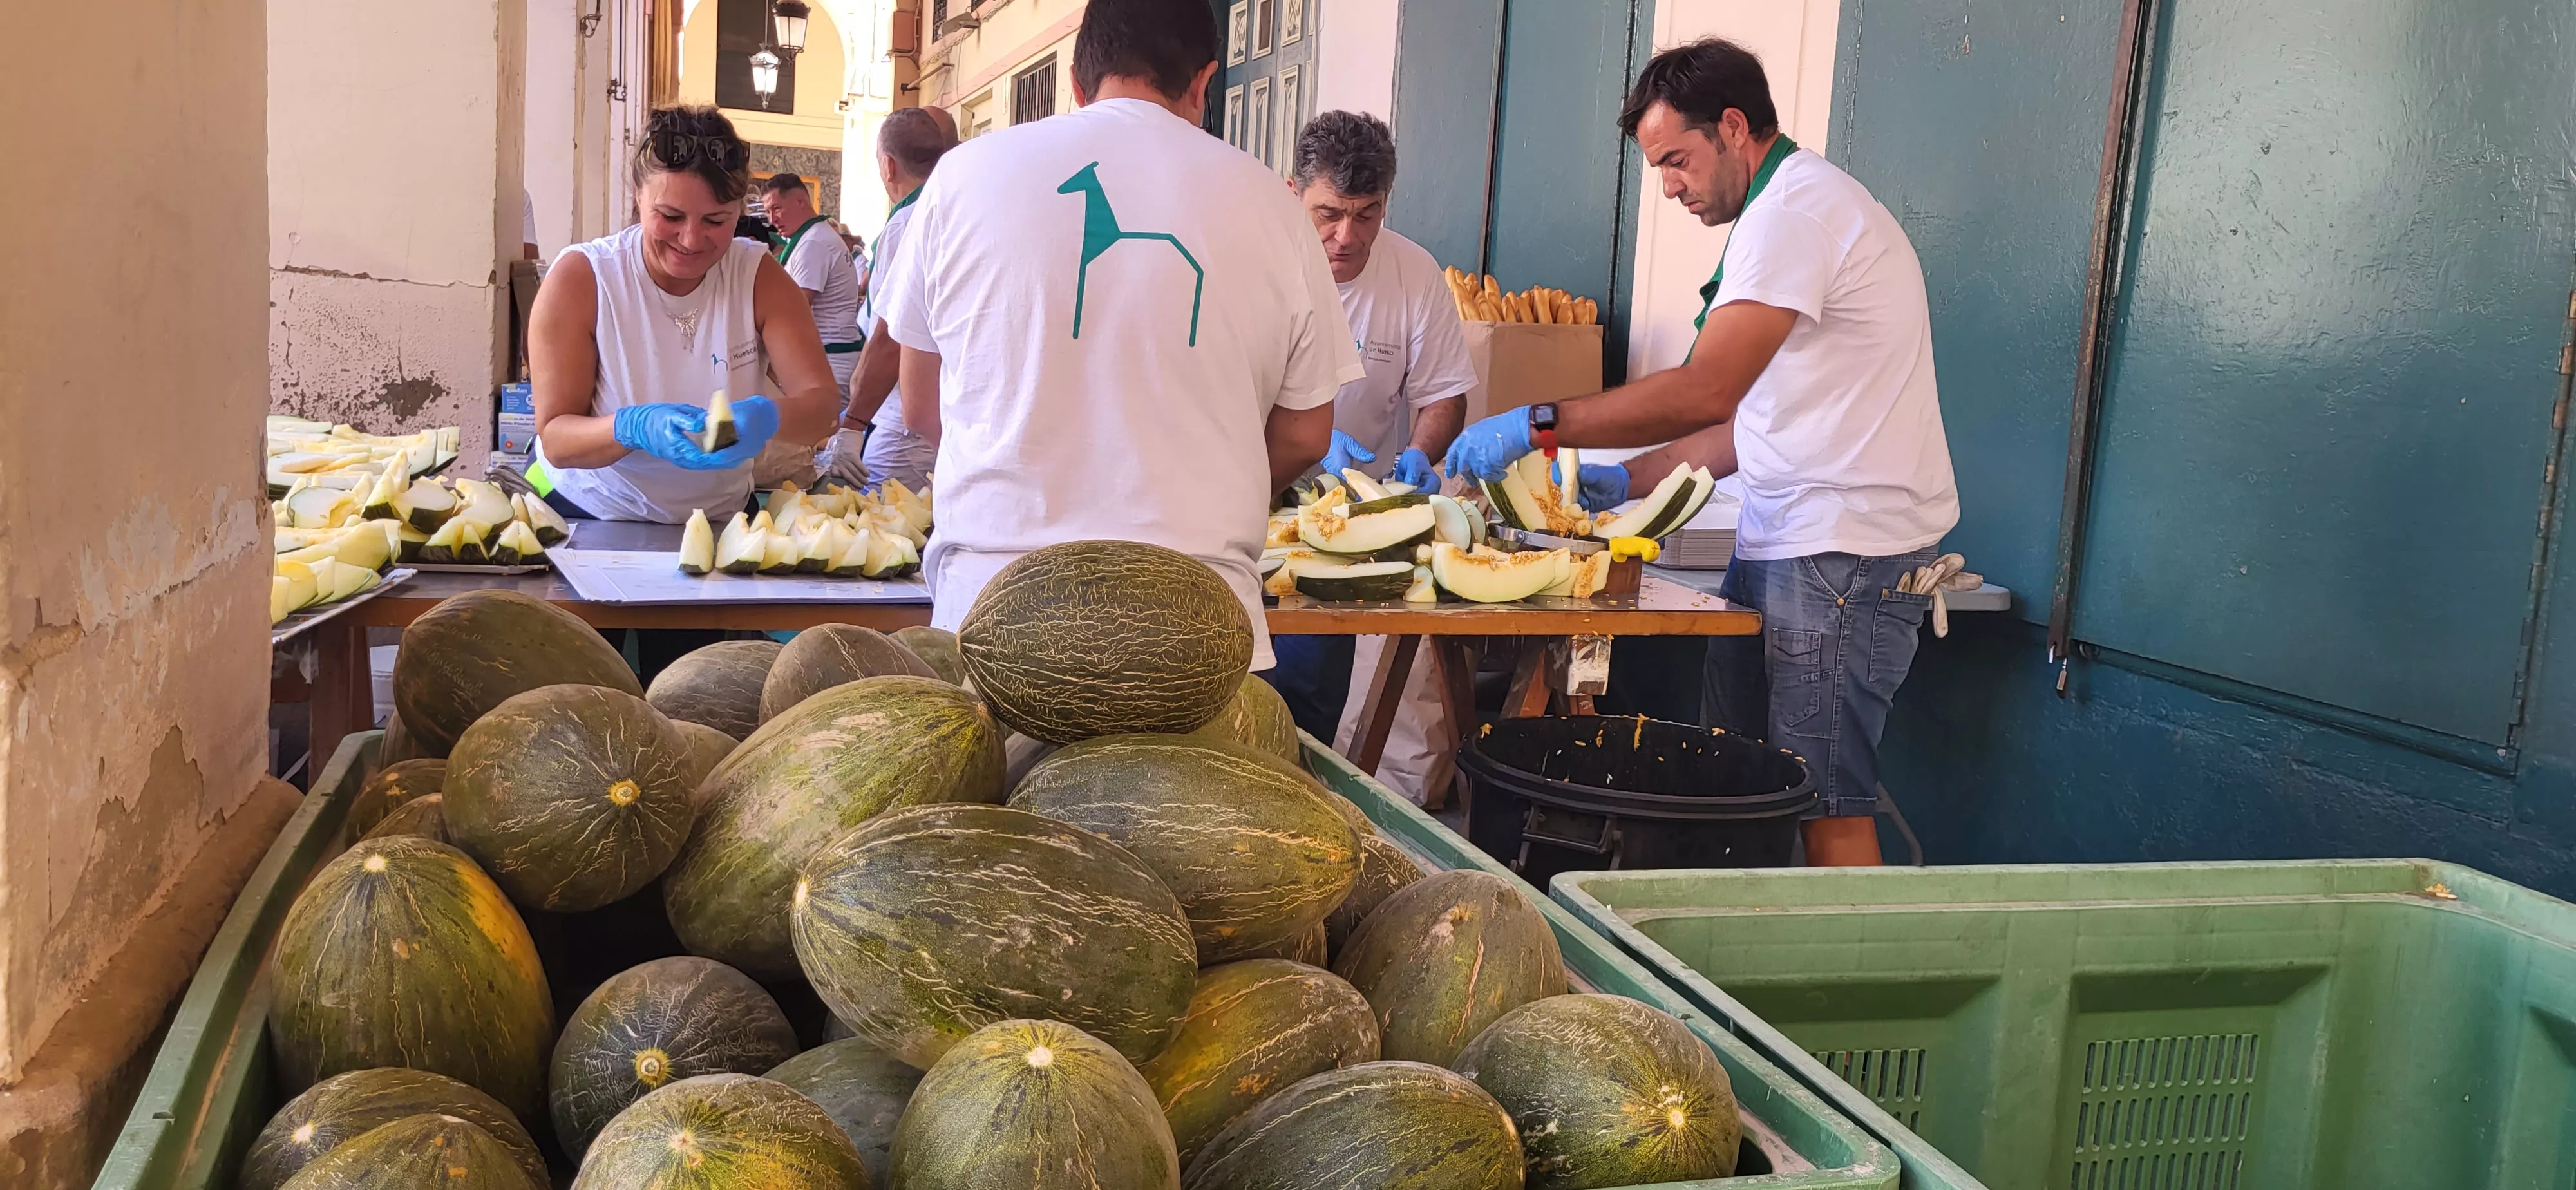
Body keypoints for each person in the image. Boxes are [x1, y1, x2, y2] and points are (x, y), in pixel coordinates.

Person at [1443, 39, 1958, 866]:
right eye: (1657, 169)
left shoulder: (1793, 216)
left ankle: (1844, 990)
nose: (1670, 186)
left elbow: (1706, 388)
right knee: (1739, 781)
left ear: (1732, 127)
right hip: (1787, 541)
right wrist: (1626, 481)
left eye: (1677, 161)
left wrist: (1538, 425)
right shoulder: (1781, 213)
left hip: (1841, 556)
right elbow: (1740, 424)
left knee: (1825, 802)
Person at [873, 0, 1361, 663]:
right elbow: (1306, 434)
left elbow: (921, 404)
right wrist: (1214, 483)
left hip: (995, 610)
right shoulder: (1276, 207)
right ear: (1203, 82)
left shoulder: (962, 176)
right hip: (1197, 623)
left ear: (1076, 83)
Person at [1275, 110, 1481, 804]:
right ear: (1291, 193)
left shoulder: (1413, 273)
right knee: (1275, 684)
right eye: (1328, 214)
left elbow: (1445, 394)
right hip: (1261, 499)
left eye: (1366, 216)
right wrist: (1295, 439)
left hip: (1361, 513)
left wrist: (1422, 455)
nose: (1346, 236)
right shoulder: (1257, 263)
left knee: (1327, 682)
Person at [526, 105, 840, 525]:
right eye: (670, 217)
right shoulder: (583, 278)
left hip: (722, 519)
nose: (691, 240)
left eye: (716, 220)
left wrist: (768, 417)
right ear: (638, 196)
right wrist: (629, 428)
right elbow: (557, 439)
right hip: (591, 514)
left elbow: (822, 409)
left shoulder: (758, 277)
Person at [815, 106, 960, 491]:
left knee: (883, 527)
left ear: (888, 165)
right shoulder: (959, 208)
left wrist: (852, 425)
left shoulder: (908, 222)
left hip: (905, 418)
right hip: (949, 410)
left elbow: (892, 338)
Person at [762, 174, 866, 424]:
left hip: (830, 361)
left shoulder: (814, 244)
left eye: (777, 208)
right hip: (830, 358)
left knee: (821, 444)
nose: (772, 219)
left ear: (800, 201)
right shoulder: (815, 237)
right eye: (768, 212)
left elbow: (795, 309)